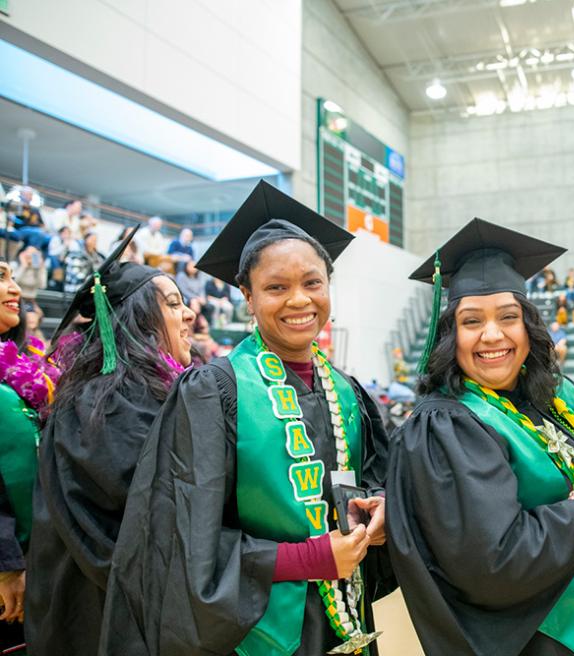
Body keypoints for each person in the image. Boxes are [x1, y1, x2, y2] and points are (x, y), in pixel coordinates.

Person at [101, 182, 393, 655]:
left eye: (312, 283)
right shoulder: (214, 392)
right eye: (276, 287)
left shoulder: (346, 390)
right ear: (248, 296)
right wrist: (309, 558)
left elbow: (375, 476)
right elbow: (185, 538)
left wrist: (381, 508)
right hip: (257, 628)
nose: (299, 300)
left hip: (346, 613)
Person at [387, 219, 574, 656]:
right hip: (551, 642)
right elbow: (492, 560)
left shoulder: (556, 397)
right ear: (450, 334)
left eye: (509, 317)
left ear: (528, 326)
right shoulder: (445, 426)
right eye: (472, 321)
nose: (493, 335)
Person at [25, 228, 196, 655]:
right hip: (96, 613)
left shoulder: (131, 392)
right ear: (139, 318)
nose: (190, 313)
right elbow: (147, 513)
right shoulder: (107, 402)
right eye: (174, 304)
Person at [0, 256, 59, 652]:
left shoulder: (24, 369)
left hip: (37, 554)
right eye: (1, 278)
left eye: (14, 277)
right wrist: (6, 564)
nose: (16, 289)